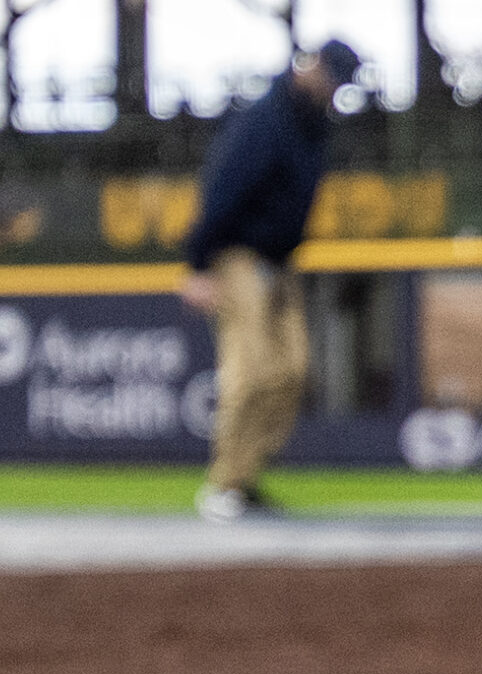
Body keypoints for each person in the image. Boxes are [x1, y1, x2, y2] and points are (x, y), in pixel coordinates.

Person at [178, 39, 361, 521]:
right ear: (313, 68)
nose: (333, 88)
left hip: (278, 262)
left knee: (292, 370)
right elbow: (222, 188)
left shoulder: (310, 126)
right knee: (251, 368)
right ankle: (223, 485)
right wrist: (197, 264)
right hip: (238, 256)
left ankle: (246, 479)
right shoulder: (269, 117)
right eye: (332, 77)